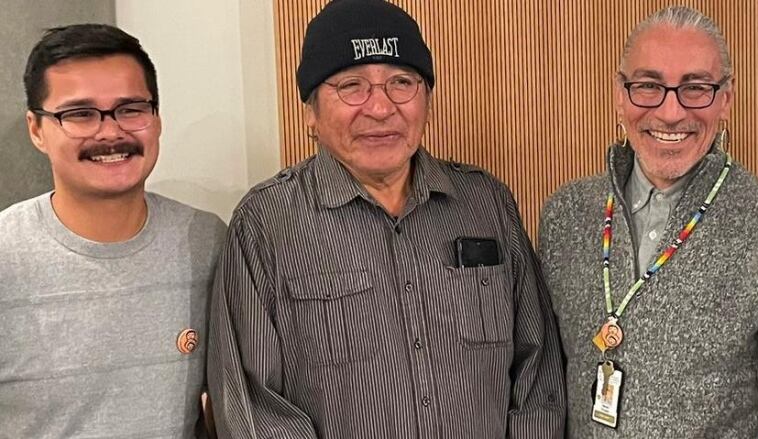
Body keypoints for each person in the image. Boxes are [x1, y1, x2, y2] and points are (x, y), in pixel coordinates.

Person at [207, 0, 566, 437]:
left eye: (401, 82)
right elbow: (251, 408)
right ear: (310, 111)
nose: (380, 108)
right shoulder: (265, 224)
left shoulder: (487, 203)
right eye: (352, 85)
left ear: (426, 99)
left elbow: (538, 371)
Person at [539, 5, 758, 437]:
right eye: (648, 86)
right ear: (619, 94)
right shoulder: (565, 216)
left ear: (726, 98)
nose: (670, 113)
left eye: (695, 88)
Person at [0, 24, 226, 437]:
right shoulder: (6, 254)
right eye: (80, 114)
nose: (110, 131)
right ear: (37, 129)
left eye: (131, 109)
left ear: (156, 118)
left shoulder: (206, 240)